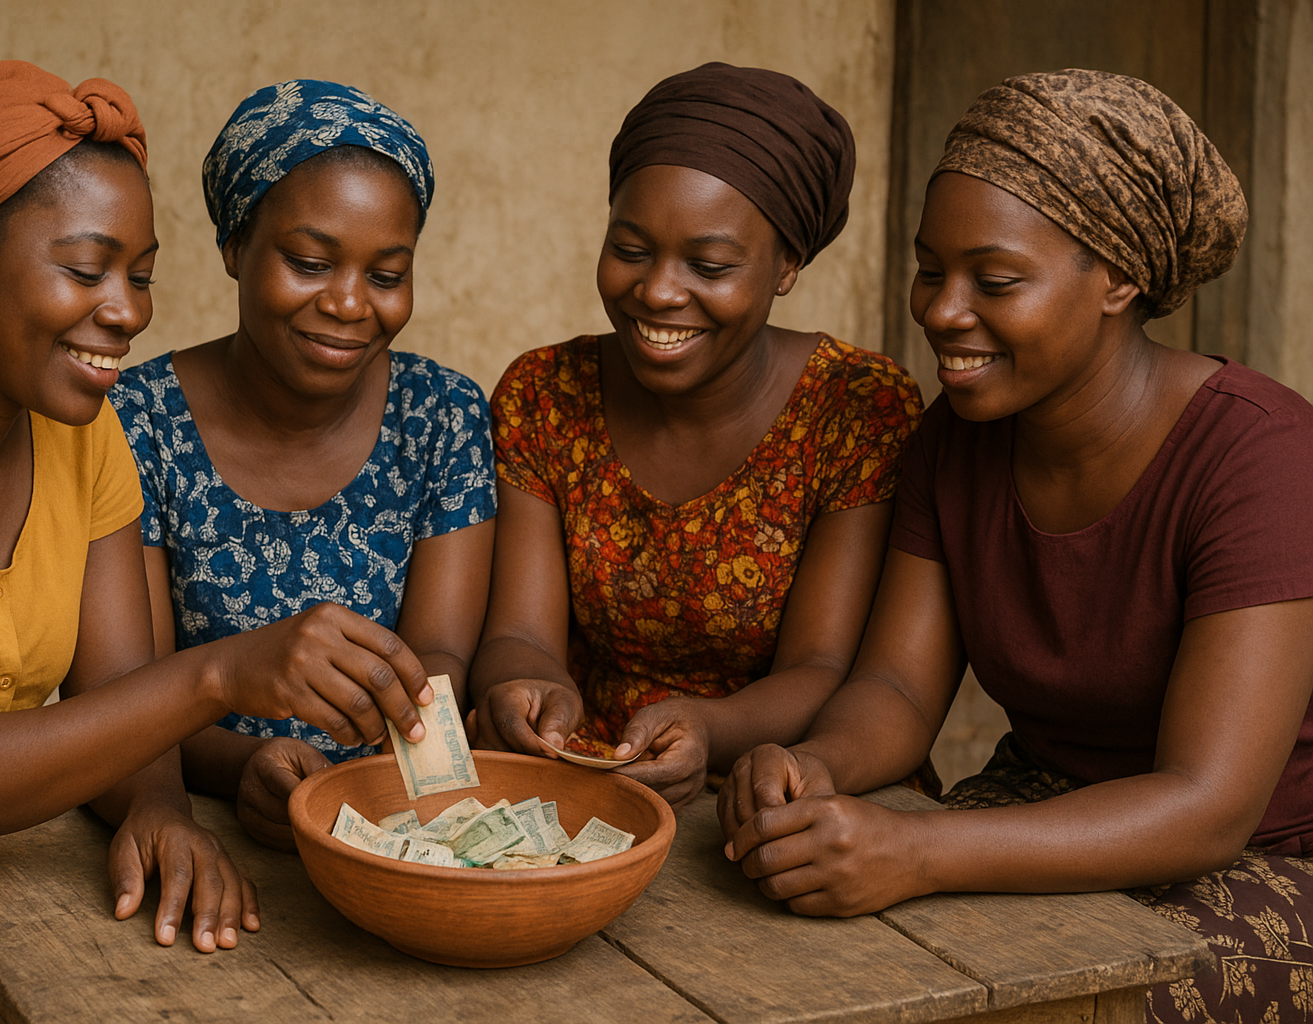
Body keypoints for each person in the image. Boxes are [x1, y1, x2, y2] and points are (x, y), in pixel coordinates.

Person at [0, 62, 432, 1023]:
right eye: (86, 272)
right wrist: (219, 676)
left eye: (141, 274)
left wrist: (159, 809)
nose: (128, 312)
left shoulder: (84, 436)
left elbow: (119, 702)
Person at [718, 69, 1313, 1024]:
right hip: (1036, 805)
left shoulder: (1261, 457)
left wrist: (912, 852)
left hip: (1266, 855)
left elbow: (1208, 805)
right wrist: (813, 765)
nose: (942, 312)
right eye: (929, 270)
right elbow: (900, 693)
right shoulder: (956, 441)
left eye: (994, 281)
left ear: (1118, 278)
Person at [469, 63, 923, 810]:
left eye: (709, 265)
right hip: (583, 778)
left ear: (788, 266)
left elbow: (822, 667)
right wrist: (532, 690)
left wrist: (709, 728)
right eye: (631, 248)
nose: (658, 291)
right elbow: (520, 630)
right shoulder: (544, 395)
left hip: (782, 787)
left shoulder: (854, 408)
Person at [109, 80, 495, 851]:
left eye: (386, 276)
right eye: (310, 263)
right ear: (234, 247)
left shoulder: (444, 416)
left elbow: (438, 662)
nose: (351, 304)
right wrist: (242, 765)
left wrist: (378, 779)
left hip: (392, 820)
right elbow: (124, 699)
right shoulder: (138, 419)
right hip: (196, 813)